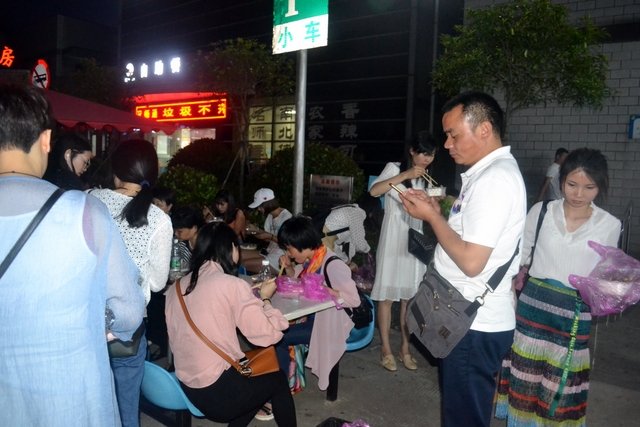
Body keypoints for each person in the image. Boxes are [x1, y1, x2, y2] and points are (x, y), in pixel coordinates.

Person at [0, 83, 145, 427]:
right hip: (73, 402)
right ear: (46, 140)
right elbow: (129, 311)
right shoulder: (84, 210)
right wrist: (101, 320)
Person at [400, 91, 526, 427]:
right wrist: (438, 212)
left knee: (463, 419)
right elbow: (471, 238)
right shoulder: (487, 174)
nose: (447, 144)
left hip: (471, 324)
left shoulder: (494, 179)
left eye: (453, 134)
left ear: (484, 129)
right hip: (466, 318)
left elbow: (471, 262)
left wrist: (432, 217)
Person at [496, 148, 621, 427]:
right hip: (532, 308)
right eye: (572, 184)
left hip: (574, 314)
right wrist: (508, 293)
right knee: (526, 377)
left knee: (561, 387)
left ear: (600, 186)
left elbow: (605, 277)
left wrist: (617, 287)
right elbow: (519, 256)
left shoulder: (610, 225)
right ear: (561, 179)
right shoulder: (541, 211)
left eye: (589, 187)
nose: (579, 194)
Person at [165, 222, 296, 427]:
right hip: (218, 393)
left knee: (252, 387)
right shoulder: (232, 285)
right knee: (277, 380)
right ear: (231, 248)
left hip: (188, 387)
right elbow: (269, 336)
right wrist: (265, 299)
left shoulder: (176, 287)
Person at [89, 139, 173, 427]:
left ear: (115, 171)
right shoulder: (159, 219)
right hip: (127, 325)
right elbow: (158, 283)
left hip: (85, 318)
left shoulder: (88, 199)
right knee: (127, 403)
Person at [369, 131, 437, 371]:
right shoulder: (394, 168)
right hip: (392, 238)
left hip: (413, 240)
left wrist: (435, 202)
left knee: (410, 297)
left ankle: (405, 349)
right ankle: (386, 349)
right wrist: (406, 175)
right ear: (412, 152)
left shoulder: (426, 179)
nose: (427, 159)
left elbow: (429, 212)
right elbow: (374, 191)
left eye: (431, 154)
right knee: (387, 297)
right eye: (423, 153)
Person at [276, 216, 361, 390]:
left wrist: (323, 288)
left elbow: (354, 300)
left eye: (289, 249)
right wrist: (289, 267)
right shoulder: (312, 260)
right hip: (315, 319)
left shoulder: (332, 264)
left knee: (278, 338)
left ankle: (280, 390)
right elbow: (298, 280)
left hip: (330, 324)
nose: (289, 253)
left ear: (300, 243)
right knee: (276, 327)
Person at [242, 188, 292, 275]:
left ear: (267, 204)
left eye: (260, 206)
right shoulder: (270, 216)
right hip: (268, 252)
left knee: (244, 264)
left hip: (279, 257)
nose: (258, 209)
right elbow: (268, 238)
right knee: (239, 255)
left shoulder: (287, 217)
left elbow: (289, 244)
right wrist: (256, 231)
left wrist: (270, 236)